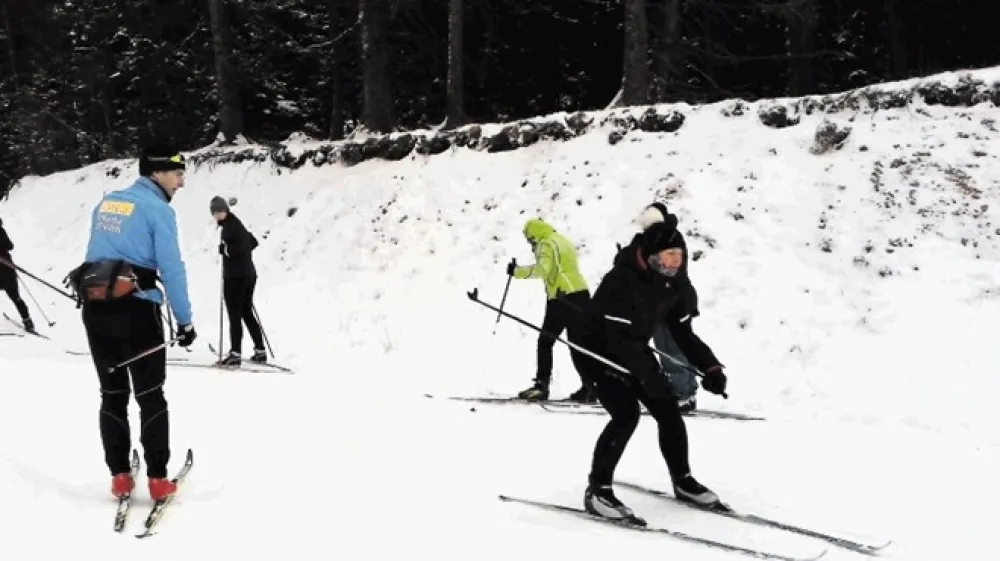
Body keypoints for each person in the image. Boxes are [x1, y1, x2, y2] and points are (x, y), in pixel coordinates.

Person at [66, 144, 197, 502]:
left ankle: (120, 477)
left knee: (112, 395)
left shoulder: (107, 203)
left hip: (96, 311)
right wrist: (185, 321)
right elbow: (172, 269)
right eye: (177, 173)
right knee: (150, 395)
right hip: (137, 312)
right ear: (157, 172)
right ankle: (157, 479)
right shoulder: (158, 210)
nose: (181, 183)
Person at [575, 218, 728, 522]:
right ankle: (598, 490)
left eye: (680, 256)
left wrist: (710, 366)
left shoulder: (673, 283)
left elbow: (683, 333)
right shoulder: (620, 280)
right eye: (670, 255)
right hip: (595, 350)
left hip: (632, 345)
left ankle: (683, 480)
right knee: (626, 412)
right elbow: (619, 342)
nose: (676, 262)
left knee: (667, 408)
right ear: (653, 256)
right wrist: (652, 377)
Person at [508, 218, 595, 403]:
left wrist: (517, 272)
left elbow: (543, 269)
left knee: (545, 342)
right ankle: (590, 387)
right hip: (581, 295)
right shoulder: (562, 240)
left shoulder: (545, 243)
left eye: (529, 240)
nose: (531, 244)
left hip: (562, 297)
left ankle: (542, 386)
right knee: (578, 345)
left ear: (533, 235)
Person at [636, 202, 704, 412]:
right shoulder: (672, 236)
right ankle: (686, 391)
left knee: (669, 348)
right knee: (678, 346)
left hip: (671, 303)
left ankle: (683, 395)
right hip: (678, 300)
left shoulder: (666, 239)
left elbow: (662, 274)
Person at [210, 196, 266, 366]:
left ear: (226, 210)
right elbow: (253, 242)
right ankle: (260, 351)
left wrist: (225, 249)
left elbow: (239, 247)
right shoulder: (237, 224)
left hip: (236, 277)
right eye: (215, 213)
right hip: (249, 275)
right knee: (246, 312)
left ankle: (235, 354)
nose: (218, 215)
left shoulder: (230, 227)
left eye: (220, 211)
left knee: (235, 315)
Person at [0, 217, 35, 332]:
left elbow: (10, 246)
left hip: (6, 268)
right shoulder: (1, 231)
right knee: (16, 297)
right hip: (7, 269)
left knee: (16, 297)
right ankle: (28, 321)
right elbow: (10, 246)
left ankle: (27, 321)